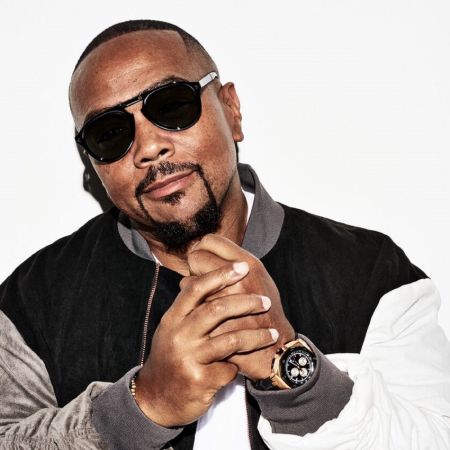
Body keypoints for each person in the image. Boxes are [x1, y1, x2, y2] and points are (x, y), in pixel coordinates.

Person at [0, 19, 449, 450]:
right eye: (110, 133)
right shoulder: (33, 299)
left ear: (231, 109)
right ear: (93, 165)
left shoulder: (371, 271)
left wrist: (297, 378)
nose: (149, 147)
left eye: (172, 106)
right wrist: (142, 407)